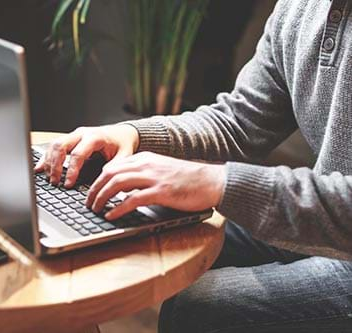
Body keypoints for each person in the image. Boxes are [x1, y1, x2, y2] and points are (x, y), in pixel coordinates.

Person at [35, 0, 352, 331]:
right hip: (327, 222)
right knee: (148, 231)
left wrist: (219, 183)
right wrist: (132, 134)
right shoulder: (301, 6)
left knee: (197, 308)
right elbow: (240, 122)